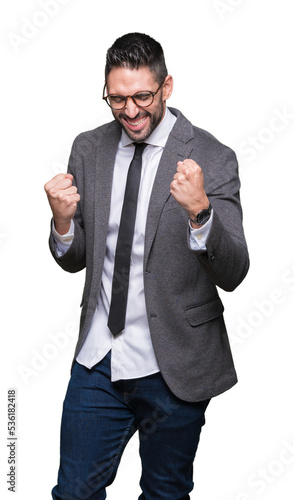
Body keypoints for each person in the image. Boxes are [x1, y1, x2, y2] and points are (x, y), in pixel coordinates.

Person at [45, 32, 249, 500]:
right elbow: (76, 260)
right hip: (98, 361)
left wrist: (202, 213)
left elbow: (235, 272)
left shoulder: (212, 157)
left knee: (165, 493)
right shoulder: (89, 148)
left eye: (142, 96)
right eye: (117, 98)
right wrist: (61, 224)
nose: (130, 111)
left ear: (167, 87)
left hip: (174, 365)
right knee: (73, 493)